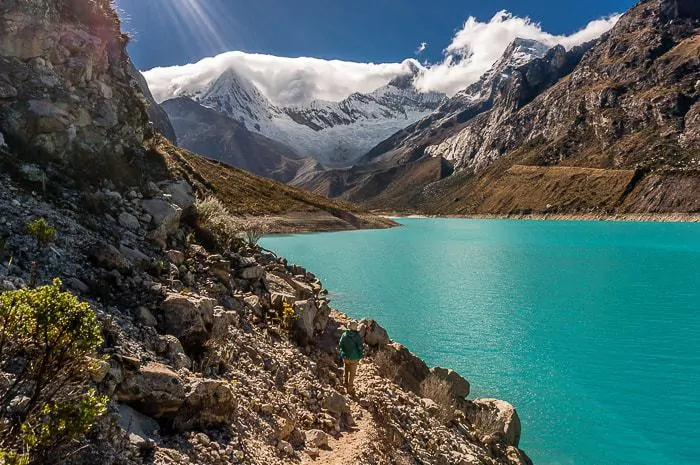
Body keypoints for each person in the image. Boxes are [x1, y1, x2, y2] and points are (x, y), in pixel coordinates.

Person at [338, 321, 364, 396]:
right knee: (352, 374)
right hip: (354, 358)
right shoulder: (357, 336)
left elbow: (340, 345)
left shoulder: (344, 335)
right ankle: (350, 389)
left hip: (345, 357)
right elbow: (360, 347)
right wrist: (360, 354)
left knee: (346, 369)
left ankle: (345, 383)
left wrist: (342, 353)